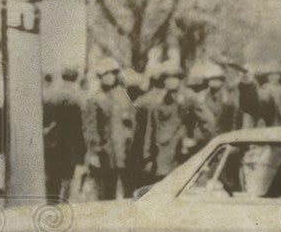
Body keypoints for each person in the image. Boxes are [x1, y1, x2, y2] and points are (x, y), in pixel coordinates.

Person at [141, 60, 213, 182]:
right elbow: (151, 127)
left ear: (180, 79)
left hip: (180, 154)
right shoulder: (157, 99)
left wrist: (195, 140)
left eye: (174, 77)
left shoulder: (189, 97)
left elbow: (209, 121)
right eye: (167, 78)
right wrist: (147, 154)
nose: (170, 81)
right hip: (160, 156)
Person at [85, 57, 136, 199]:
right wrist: (94, 152)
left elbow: (132, 118)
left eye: (112, 73)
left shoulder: (122, 95)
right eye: (105, 74)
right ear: (100, 77)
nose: (109, 77)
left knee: (128, 192)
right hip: (105, 152)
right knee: (105, 193)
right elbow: (90, 128)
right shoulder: (95, 98)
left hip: (124, 150)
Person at [42, 65, 86, 202]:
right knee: (68, 178)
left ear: (62, 77)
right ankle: (65, 205)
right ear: (76, 78)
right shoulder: (80, 97)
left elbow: (45, 120)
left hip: (53, 144)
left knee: (52, 178)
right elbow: (82, 125)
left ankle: (51, 206)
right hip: (71, 145)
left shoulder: (51, 95)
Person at [189, 60, 239, 135]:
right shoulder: (202, 97)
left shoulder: (228, 97)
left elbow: (234, 119)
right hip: (206, 134)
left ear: (222, 81)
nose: (213, 81)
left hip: (225, 134)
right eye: (211, 79)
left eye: (217, 78)